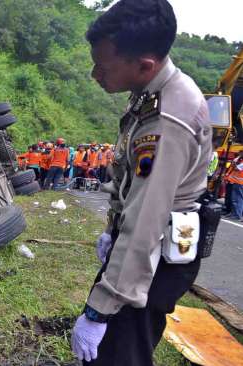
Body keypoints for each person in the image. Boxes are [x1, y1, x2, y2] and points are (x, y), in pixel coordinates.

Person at [70, 1, 212, 365]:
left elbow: (146, 222)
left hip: (153, 258)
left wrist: (100, 310)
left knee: (119, 354)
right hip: (141, 250)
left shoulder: (167, 120)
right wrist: (111, 229)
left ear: (144, 65)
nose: (94, 74)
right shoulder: (149, 94)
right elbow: (130, 185)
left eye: (102, 66)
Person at [224, 150, 243, 221]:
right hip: (236, 182)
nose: (239, 153)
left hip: (240, 183)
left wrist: (234, 162)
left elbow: (236, 168)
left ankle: (237, 215)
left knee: (237, 200)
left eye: (241, 152)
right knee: (234, 199)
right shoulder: (239, 160)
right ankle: (233, 213)